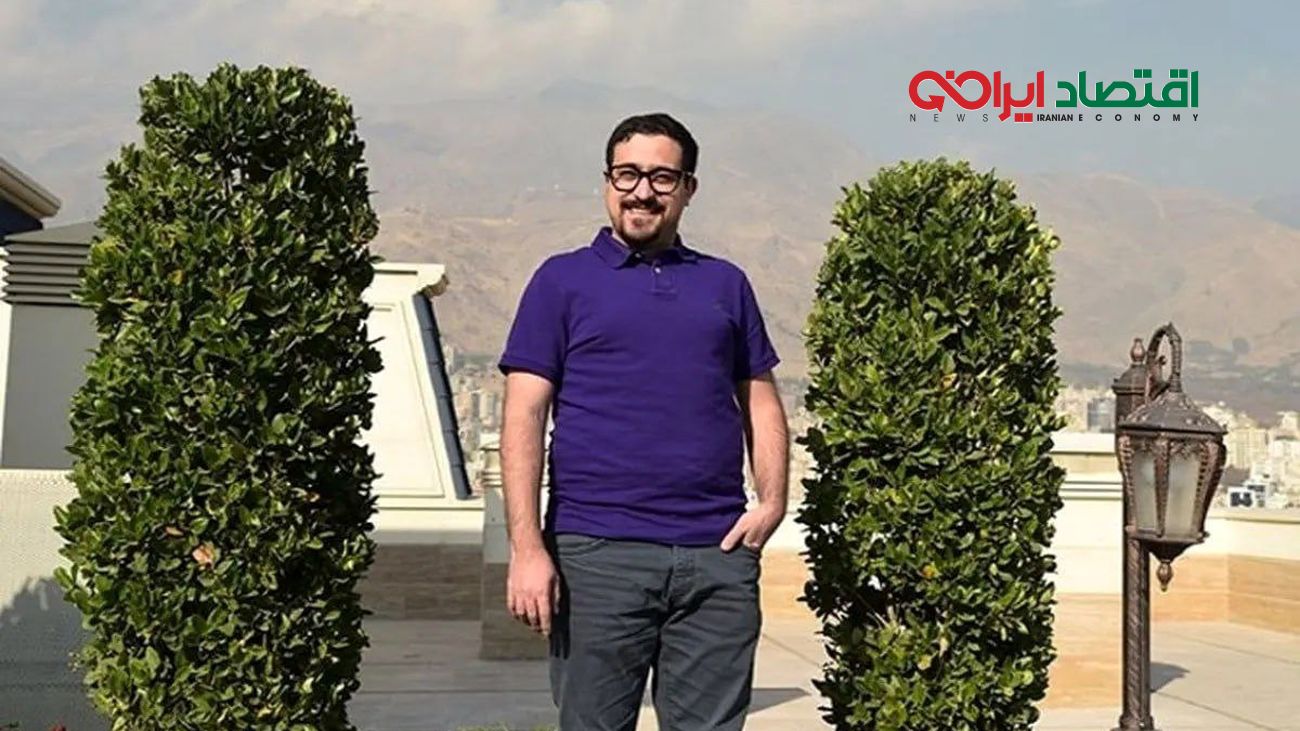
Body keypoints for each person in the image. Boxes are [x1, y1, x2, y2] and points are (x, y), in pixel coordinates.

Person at [497, 112, 790, 731]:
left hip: (716, 556)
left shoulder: (725, 284)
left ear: (688, 188)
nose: (642, 191)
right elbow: (524, 413)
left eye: (662, 177)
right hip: (597, 555)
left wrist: (772, 503)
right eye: (627, 174)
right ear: (607, 181)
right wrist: (527, 549)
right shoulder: (561, 281)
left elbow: (761, 398)